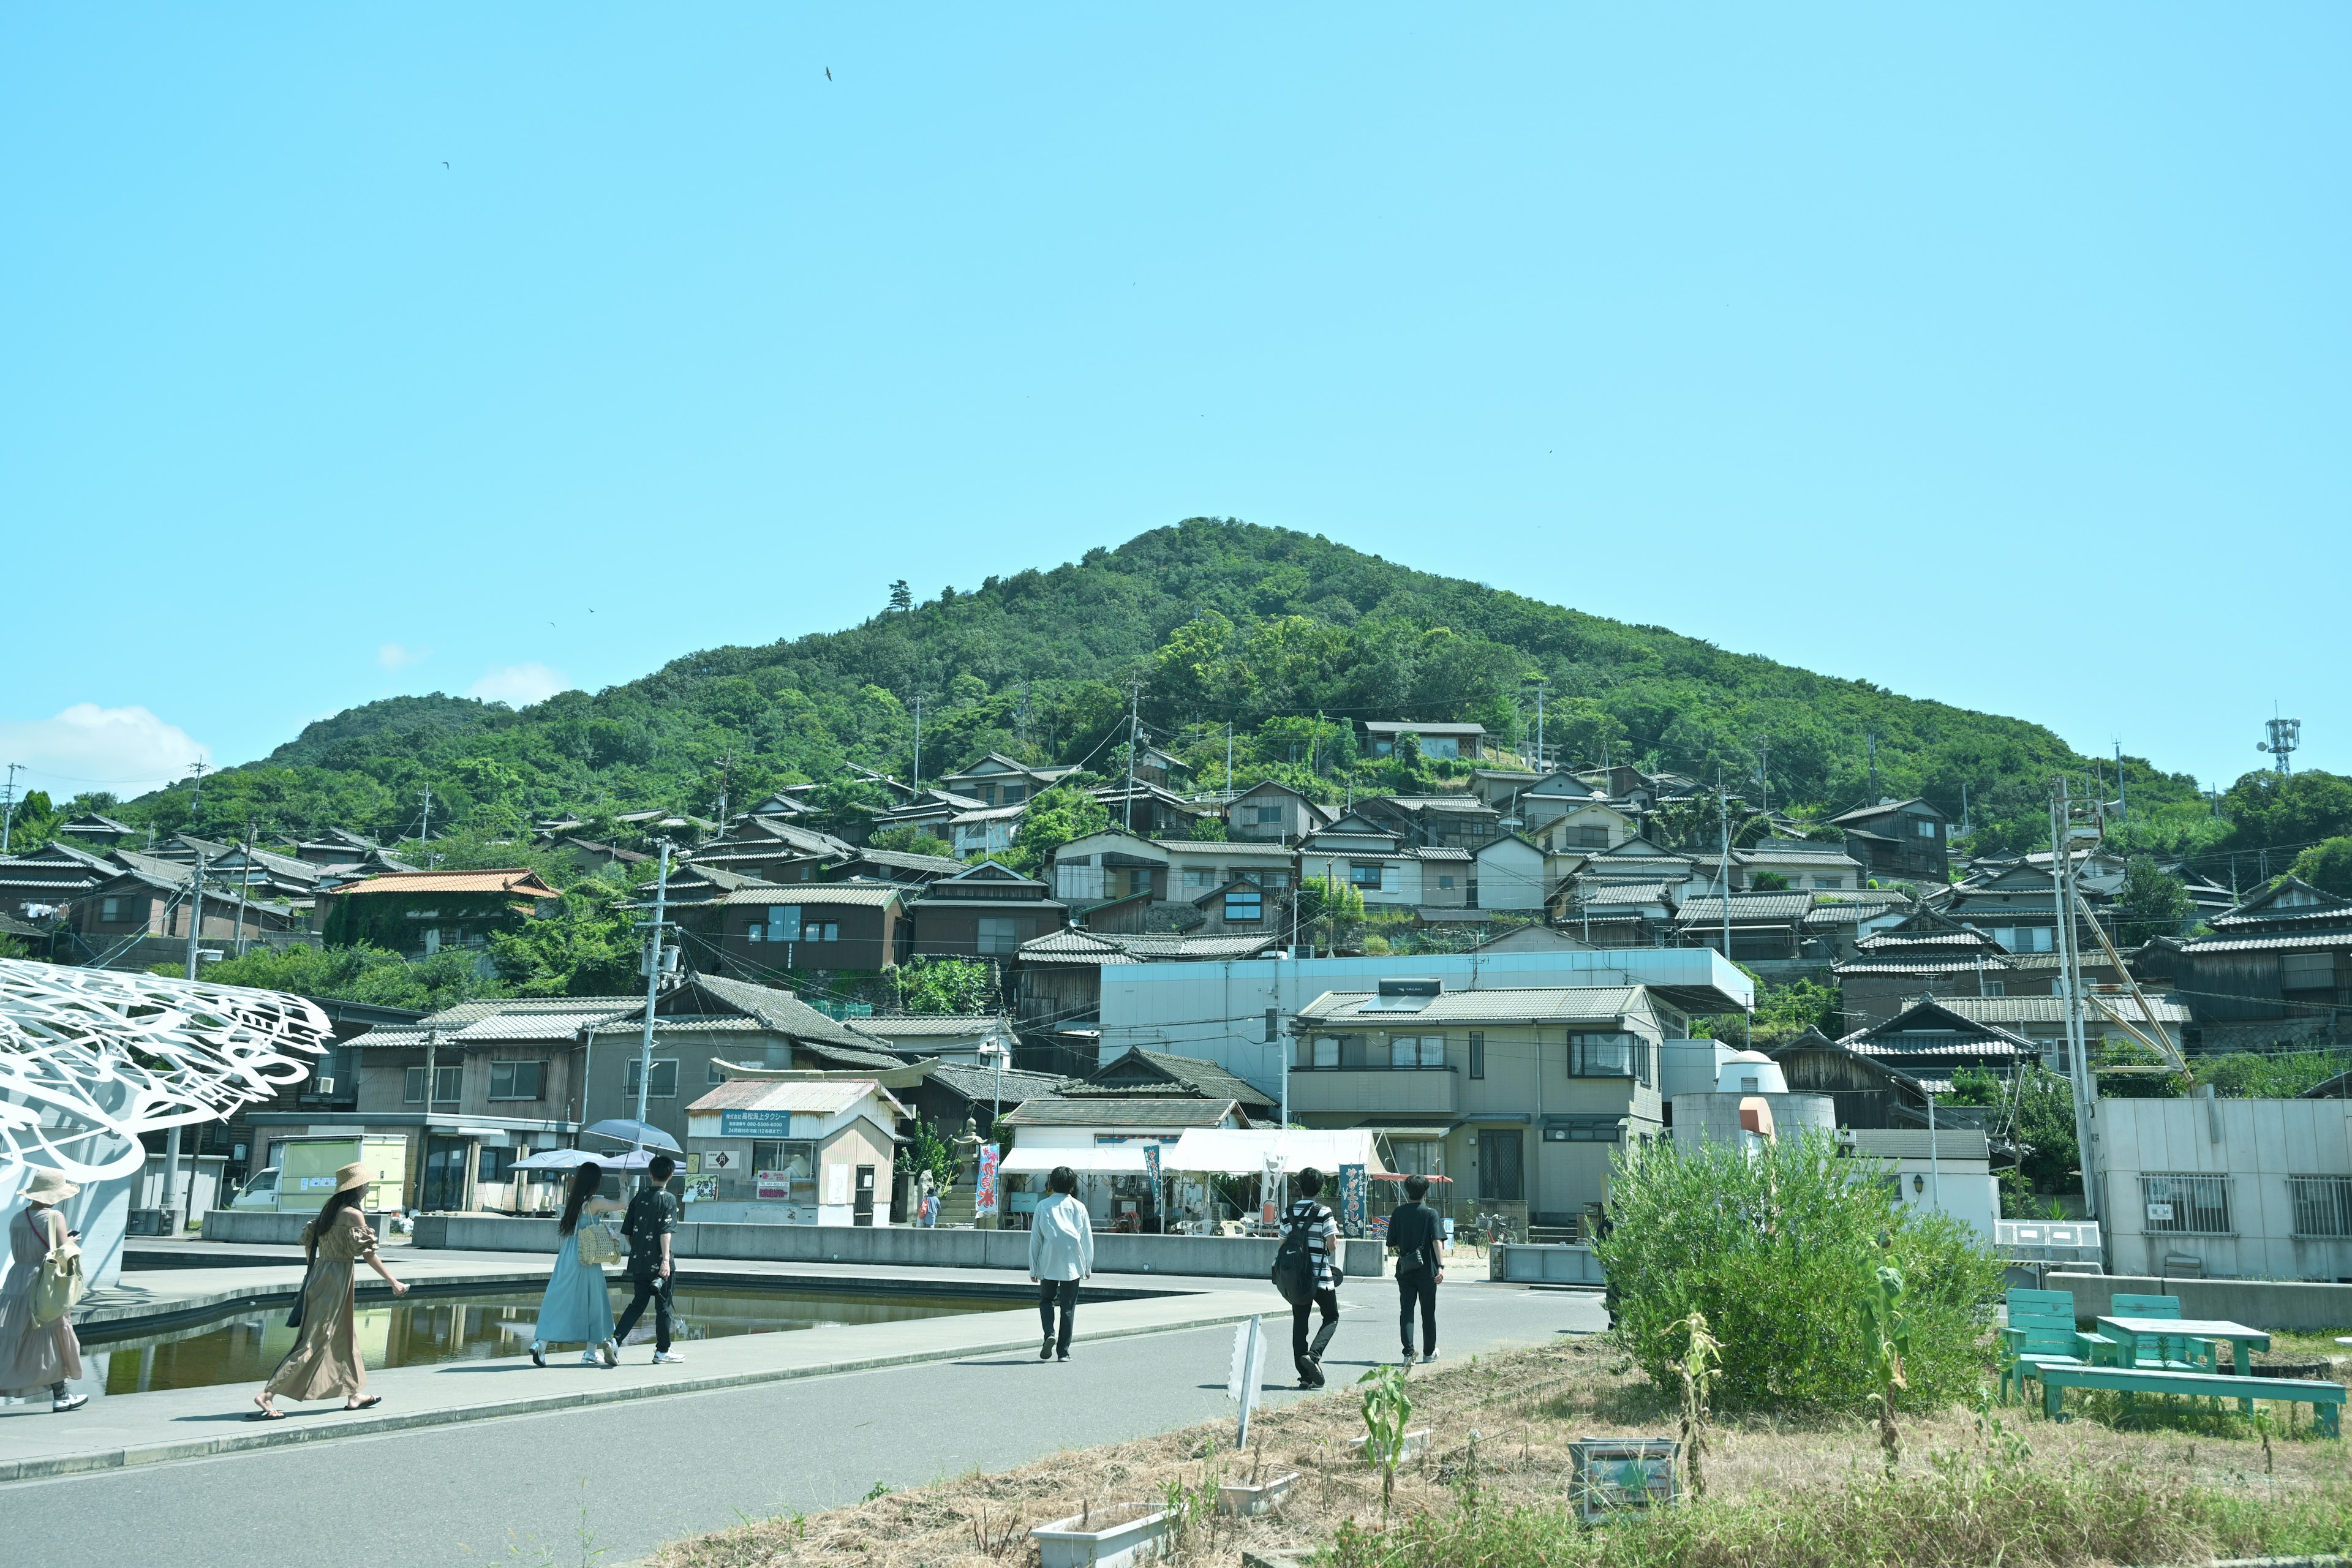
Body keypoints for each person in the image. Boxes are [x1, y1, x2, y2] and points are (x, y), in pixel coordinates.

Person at [252, 1163, 407, 1419]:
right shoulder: (352, 1215)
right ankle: (267, 1395)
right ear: (356, 1187)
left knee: (344, 1336)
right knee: (315, 1339)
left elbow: (309, 1245)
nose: (368, 1188)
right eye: (366, 1184)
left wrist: (320, 1269)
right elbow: (368, 1254)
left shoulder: (328, 1211)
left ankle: (354, 1393)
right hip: (336, 1279)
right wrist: (393, 1280)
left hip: (323, 1276)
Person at [1, 1167, 89, 1412]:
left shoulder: (18, 1218)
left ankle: (61, 1395)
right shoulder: (54, 1217)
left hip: (16, 1281)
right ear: (56, 1195)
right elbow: (63, 1250)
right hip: (43, 1282)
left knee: (12, 1337)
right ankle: (61, 1397)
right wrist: (72, 1240)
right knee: (52, 1337)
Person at [530, 1161, 623, 1368]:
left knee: (560, 1299)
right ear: (595, 1181)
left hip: (568, 1255)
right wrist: (624, 1183)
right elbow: (623, 1204)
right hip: (587, 1257)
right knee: (595, 1302)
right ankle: (590, 1352)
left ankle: (541, 1343)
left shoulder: (573, 1201)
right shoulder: (595, 1202)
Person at [611, 1154, 684, 1365]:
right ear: (671, 1176)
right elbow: (666, 1232)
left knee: (637, 1304)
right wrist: (665, 1260)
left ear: (650, 1174)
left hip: (639, 1262)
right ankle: (662, 1351)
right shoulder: (668, 1199)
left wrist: (639, 1249)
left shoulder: (639, 1197)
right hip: (660, 1264)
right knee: (663, 1307)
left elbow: (628, 1232)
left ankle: (616, 1341)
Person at [1281, 1167, 1343, 1389]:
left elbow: (1282, 1245)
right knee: (1332, 1317)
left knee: (1300, 1324)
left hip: (1297, 1280)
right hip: (1321, 1278)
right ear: (1320, 1188)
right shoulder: (1324, 1211)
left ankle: (1305, 1377)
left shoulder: (1288, 1212)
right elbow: (1332, 1245)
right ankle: (1314, 1356)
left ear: (1300, 1186)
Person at [1026, 1164, 1093, 1362]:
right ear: (1072, 1185)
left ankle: (1049, 1333)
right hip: (1073, 1261)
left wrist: (1033, 1266)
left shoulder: (1042, 1206)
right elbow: (1087, 1238)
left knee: (1047, 1300)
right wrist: (1087, 1266)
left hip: (1048, 1260)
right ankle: (1063, 1352)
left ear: (1052, 1185)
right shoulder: (1079, 1207)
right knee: (1068, 1306)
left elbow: (1036, 1239)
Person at [1385, 1174, 1445, 1364]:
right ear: (1425, 1192)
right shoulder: (1430, 1213)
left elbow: (1392, 1244)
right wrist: (1441, 1266)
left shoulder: (1398, 1213)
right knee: (1428, 1312)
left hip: (1406, 1269)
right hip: (1427, 1270)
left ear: (1407, 1191)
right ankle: (1428, 1353)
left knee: (1407, 1311)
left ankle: (1408, 1354)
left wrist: (1407, 1248)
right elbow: (1437, 1241)